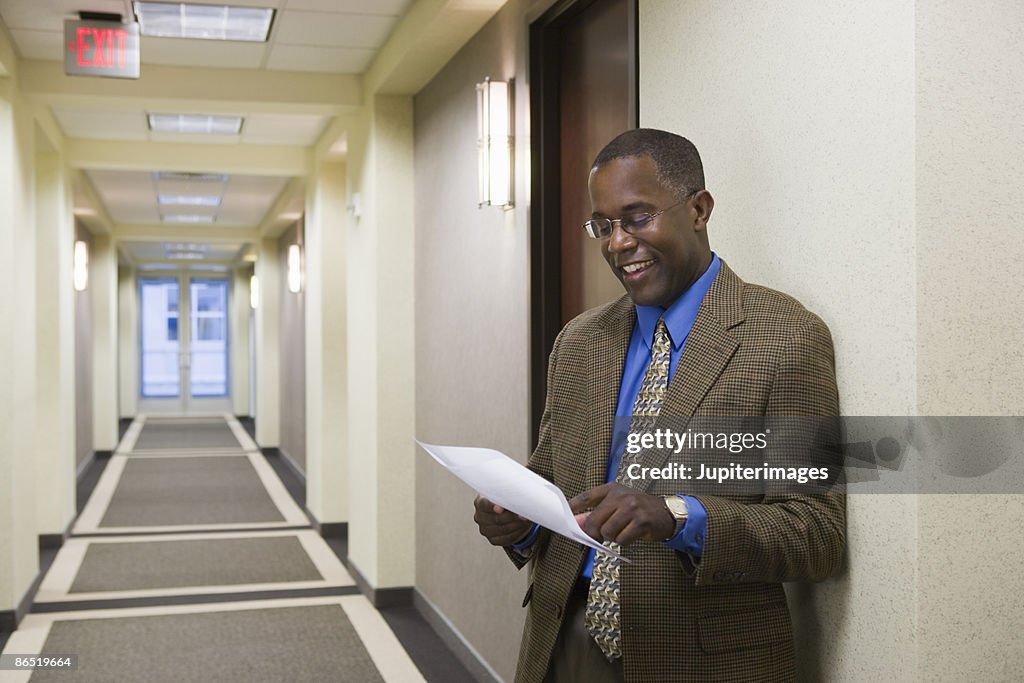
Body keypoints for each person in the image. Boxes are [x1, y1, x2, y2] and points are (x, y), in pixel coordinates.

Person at [473, 128, 844, 683]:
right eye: (604, 225)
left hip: (704, 660)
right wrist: (518, 519)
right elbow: (553, 476)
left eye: (638, 217)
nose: (617, 243)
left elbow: (816, 534)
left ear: (698, 209)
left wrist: (679, 517)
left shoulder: (786, 338)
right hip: (564, 648)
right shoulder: (579, 342)